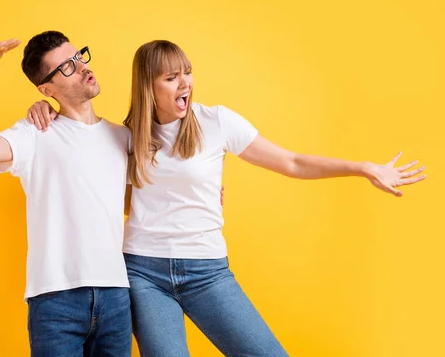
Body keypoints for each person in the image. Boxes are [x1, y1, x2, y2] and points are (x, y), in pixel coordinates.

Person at [27, 39, 427, 356]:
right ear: (149, 85)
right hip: (143, 273)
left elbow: (291, 162)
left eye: (187, 73)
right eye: (171, 77)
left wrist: (363, 167)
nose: (186, 83)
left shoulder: (217, 121)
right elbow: (106, 191)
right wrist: (42, 108)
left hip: (207, 271)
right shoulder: (126, 136)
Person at [0, 31, 133, 357]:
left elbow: (142, 201)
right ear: (46, 89)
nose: (81, 66)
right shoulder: (35, 133)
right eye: (67, 67)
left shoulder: (122, 137)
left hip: (116, 295)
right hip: (56, 300)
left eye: (79, 57)